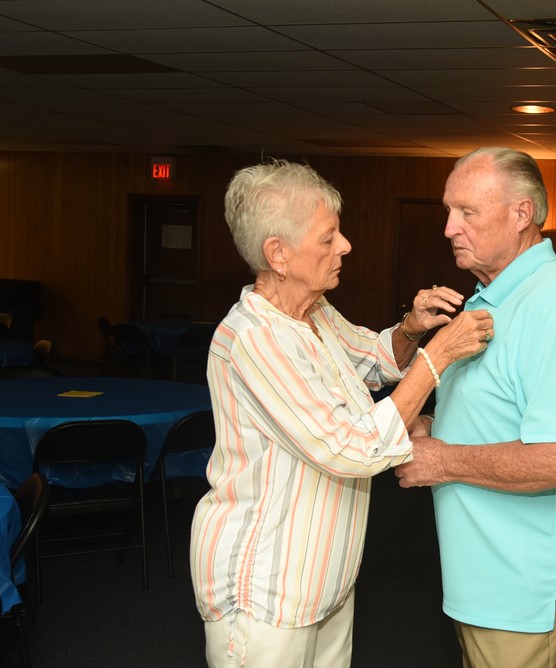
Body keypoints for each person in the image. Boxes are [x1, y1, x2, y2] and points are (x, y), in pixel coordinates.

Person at [189, 159, 493, 668]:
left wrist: (412, 329)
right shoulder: (256, 339)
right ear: (278, 254)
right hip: (267, 587)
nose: (346, 245)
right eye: (328, 238)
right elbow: (352, 447)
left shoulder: (314, 312)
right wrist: (438, 355)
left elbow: (372, 359)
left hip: (324, 576)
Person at [396, 147, 556, 667]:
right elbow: (503, 411)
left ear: (521, 214)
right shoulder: (493, 296)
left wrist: (442, 460)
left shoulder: (554, 302)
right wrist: (436, 425)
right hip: (490, 587)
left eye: (467, 212)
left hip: (528, 597)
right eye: (449, 210)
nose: (449, 228)